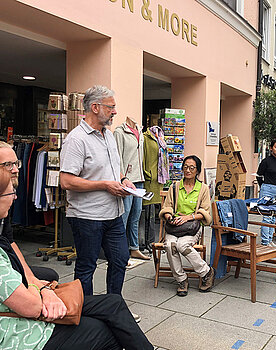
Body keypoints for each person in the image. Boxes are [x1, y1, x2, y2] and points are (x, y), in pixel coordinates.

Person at [0, 171, 153, 350]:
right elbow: (30, 307)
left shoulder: (3, 227)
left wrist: (37, 286)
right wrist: (42, 290)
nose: (16, 196)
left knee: (113, 303)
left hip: (24, 302)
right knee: (104, 330)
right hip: (20, 331)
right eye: (10, 193)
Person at [60, 85, 135, 296]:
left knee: (120, 260)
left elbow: (112, 170)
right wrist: (104, 185)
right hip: (87, 216)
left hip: (113, 214)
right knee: (86, 267)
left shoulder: (108, 136)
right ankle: (86, 315)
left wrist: (123, 179)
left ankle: (113, 308)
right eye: (111, 107)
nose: (115, 111)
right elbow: (66, 181)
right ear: (95, 107)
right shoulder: (76, 139)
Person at [0, 141, 59, 282]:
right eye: (8, 164)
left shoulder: (6, 203)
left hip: (6, 263)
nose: (15, 169)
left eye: (16, 163)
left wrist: (30, 278)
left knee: (49, 276)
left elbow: (10, 242)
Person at [159, 155, 215, 297]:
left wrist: (188, 217)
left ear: (197, 171)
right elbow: (167, 207)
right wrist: (169, 217)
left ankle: (206, 272)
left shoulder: (202, 188)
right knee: (169, 245)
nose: (188, 170)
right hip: (175, 226)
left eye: (192, 168)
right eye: (185, 167)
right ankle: (182, 280)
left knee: (182, 246)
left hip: (191, 226)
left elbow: (205, 212)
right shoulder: (174, 187)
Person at [114, 117, 150, 260]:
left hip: (139, 179)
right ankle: (120, 252)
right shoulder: (119, 132)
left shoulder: (140, 131)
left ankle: (134, 248)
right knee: (125, 215)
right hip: (127, 181)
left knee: (136, 215)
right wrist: (122, 178)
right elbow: (117, 158)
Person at [256, 139, 276, 246]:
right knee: (267, 216)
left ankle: (270, 240)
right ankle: (265, 242)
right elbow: (259, 175)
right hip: (267, 189)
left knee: (274, 216)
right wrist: (264, 187)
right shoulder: (266, 161)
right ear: (271, 148)